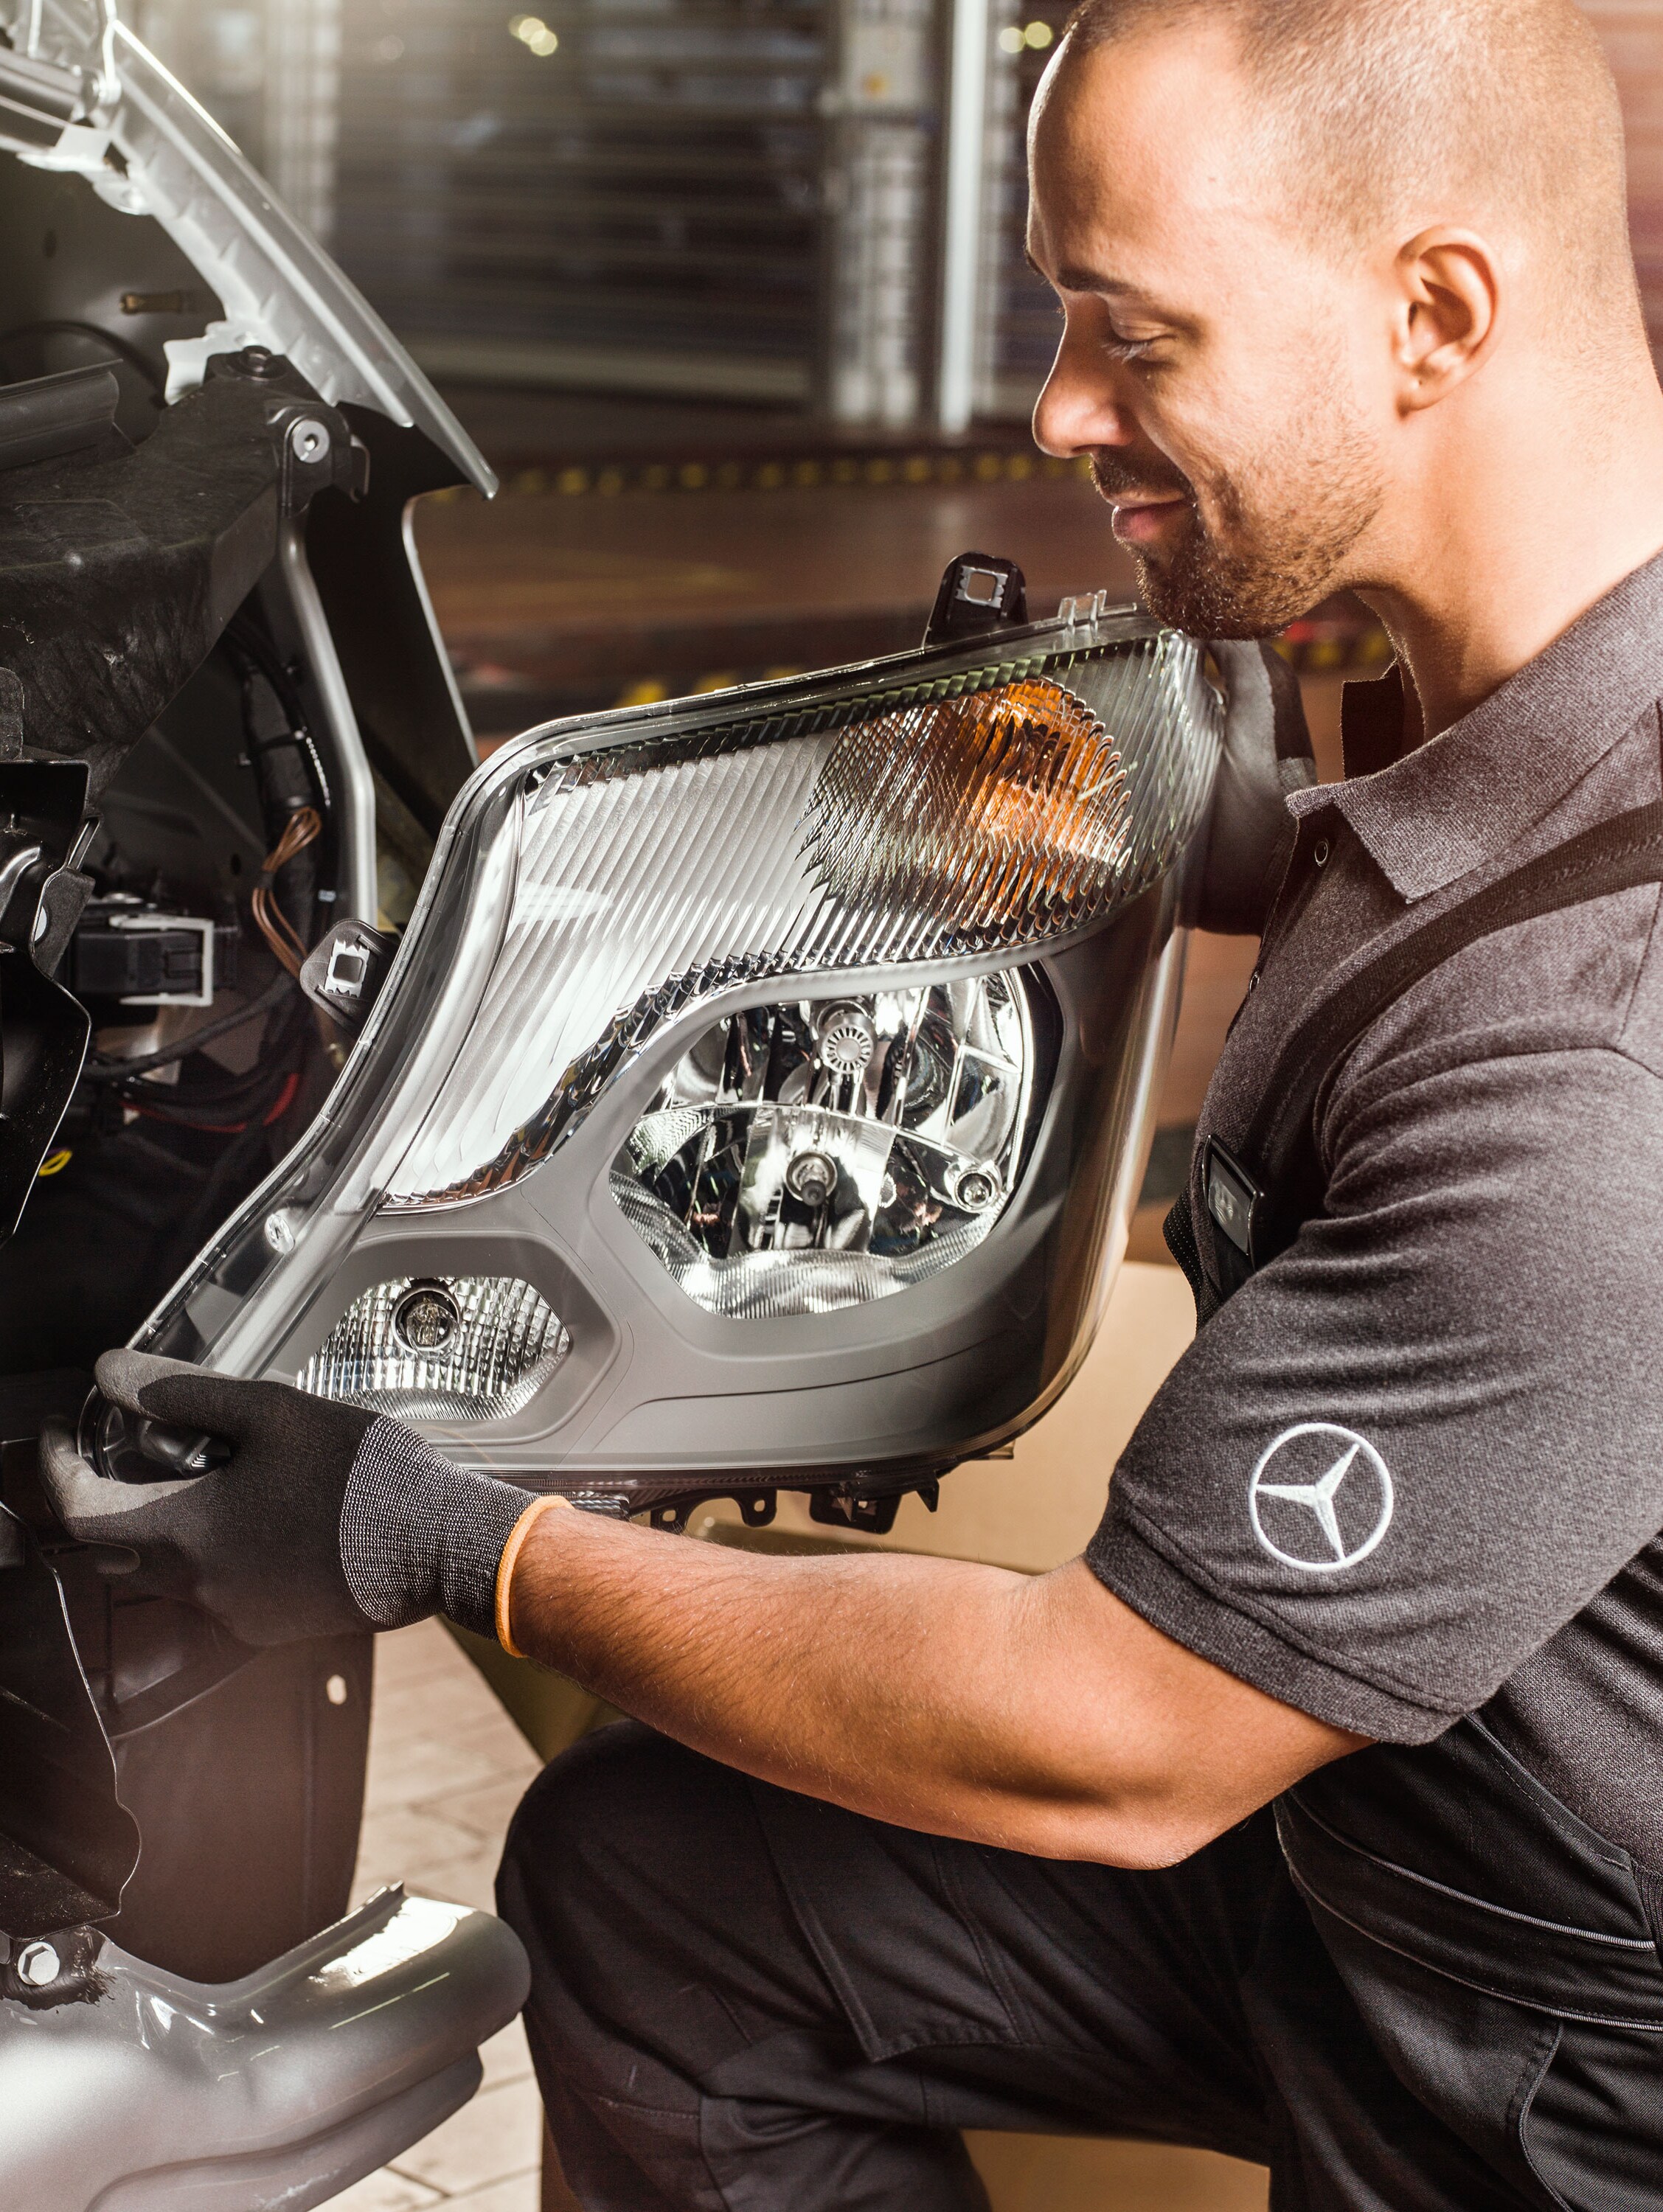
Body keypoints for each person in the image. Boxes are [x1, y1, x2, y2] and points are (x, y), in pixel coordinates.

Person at [40, 0, 1663, 2202]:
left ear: (1436, 312)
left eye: (1135, 331)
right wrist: (1208, 823)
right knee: (672, 1891)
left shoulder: (1596, 1063)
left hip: (1556, 2041)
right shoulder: (1527, 676)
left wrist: (445, 1533)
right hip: (1389, 1806)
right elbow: (1457, 892)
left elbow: (1120, 1741)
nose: (1061, 404)